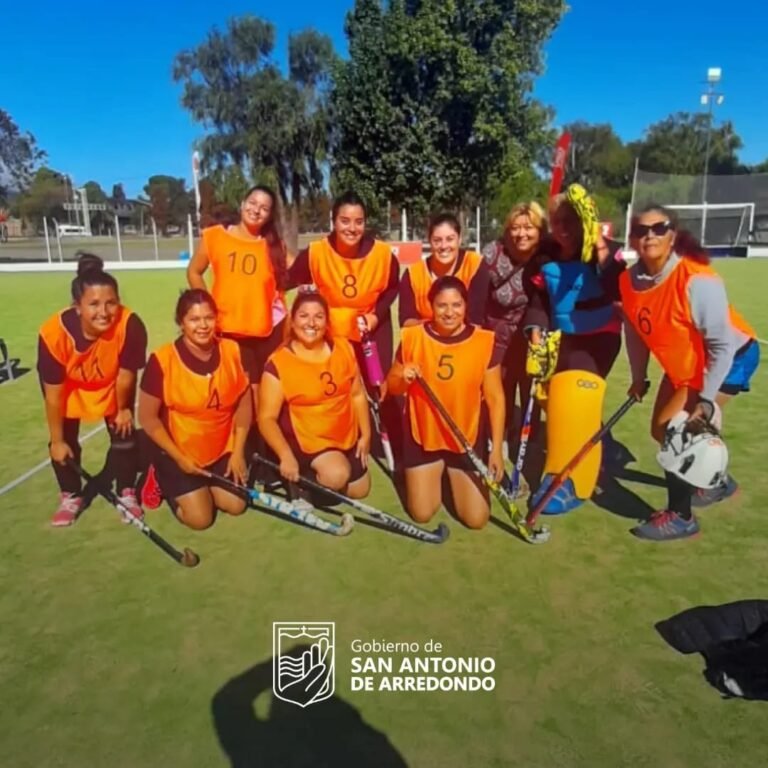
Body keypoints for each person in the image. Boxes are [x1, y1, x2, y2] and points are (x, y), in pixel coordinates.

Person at [620, 204, 759, 541]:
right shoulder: (629, 280)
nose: (649, 235)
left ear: (673, 235)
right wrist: (638, 377)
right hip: (686, 367)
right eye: (641, 230)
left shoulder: (697, 279)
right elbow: (637, 332)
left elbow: (721, 346)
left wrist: (708, 401)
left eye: (658, 228)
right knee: (659, 429)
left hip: (729, 358)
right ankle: (718, 481)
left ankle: (681, 517)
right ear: (633, 238)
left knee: (675, 431)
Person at [524, 184, 626, 515]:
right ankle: (599, 448)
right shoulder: (546, 255)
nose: (564, 230)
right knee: (553, 396)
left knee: (573, 394)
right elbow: (539, 301)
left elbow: (618, 287)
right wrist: (536, 334)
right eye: (558, 222)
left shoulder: (604, 252)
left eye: (571, 222)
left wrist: (597, 245)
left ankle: (569, 482)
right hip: (563, 336)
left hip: (600, 335)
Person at [386, 276, 505, 529]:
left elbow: (495, 398)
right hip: (424, 436)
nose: (449, 312)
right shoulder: (412, 337)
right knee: (422, 513)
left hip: (465, 439)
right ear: (431, 306)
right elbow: (392, 386)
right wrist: (403, 377)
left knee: (476, 519)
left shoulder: (483, 341)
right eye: (442, 305)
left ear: (466, 306)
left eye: (456, 305)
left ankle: (451, 475)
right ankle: (426, 474)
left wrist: (495, 450)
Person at [37, 253, 148, 526]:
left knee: (124, 434)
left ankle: (126, 491)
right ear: (77, 307)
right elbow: (53, 396)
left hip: (111, 384)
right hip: (69, 389)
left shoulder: (130, 325)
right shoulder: (53, 334)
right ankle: (71, 494)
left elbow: (125, 376)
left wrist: (123, 409)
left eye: (111, 303)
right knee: (63, 441)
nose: (104, 312)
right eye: (94, 304)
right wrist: (57, 440)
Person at [138, 290, 251, 530]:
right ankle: (158, 476)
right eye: (194, 319)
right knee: (200, 520)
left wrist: (238, 451)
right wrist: (180, 458)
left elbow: (244, 403)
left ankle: (205, 488)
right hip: (181, 453)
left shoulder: (233, 351)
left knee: (237, 505)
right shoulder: (163, 360)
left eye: (208, 318)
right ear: (181, 322)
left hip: (221, 450)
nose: (203, 325)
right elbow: (147, 418)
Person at [258, 290, 372, 499]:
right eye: (303, 316)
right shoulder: (278, 363)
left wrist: (365, 435)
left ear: (327, 322)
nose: (311, 323)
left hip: (343, 437)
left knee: (360, 490)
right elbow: (266, 419)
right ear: (292, 321)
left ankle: (323, 478)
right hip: (307, 441)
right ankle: (297, 484)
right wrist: (285, 456)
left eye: (318, 317)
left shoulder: (343, 348)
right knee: (337, 475)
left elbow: (357, 394)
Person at [186, 184, 289, 405]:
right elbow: (194, 271)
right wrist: (206, 309)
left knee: (268, 401)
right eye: (252, 203)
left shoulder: (274, 247)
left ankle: (265, 439)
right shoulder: (215, 236)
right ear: (242, 204)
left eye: (264, 208)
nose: (256, 210)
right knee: (238, 400)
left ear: (270, 215)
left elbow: (298, 271)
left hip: (266, 336)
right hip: (227, 333)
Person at [288, 191, 399, 371]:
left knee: (377, 389)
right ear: (334, 221)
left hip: (371, 334)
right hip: (331, 336)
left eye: (359, 222)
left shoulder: (383, 255)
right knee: (336, 389)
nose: (352, 228)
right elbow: (287, 281)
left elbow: (393, 288)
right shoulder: (316, 252)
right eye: (345, 221)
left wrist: (376, 316)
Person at [482, 201, 547, 449]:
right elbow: (478, 296)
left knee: (531, 391)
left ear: (540, 230)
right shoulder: (493, 253)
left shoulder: (546, 256)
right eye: (515, 227)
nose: (521, 234)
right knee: (500, 394)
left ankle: (527, 441)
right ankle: (499, 439)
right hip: (497, 336)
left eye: (529, 227)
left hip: (534, 336)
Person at [399, 212, 490, 327]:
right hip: (426, 340)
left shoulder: (474, 266)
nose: (443, 246)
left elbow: (476, 322)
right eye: (437, 240)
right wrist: (436, 327)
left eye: (450, 239)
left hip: (465, 340)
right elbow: (406, 322)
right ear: (429, 241)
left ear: (459, 238)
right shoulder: (413, 274)